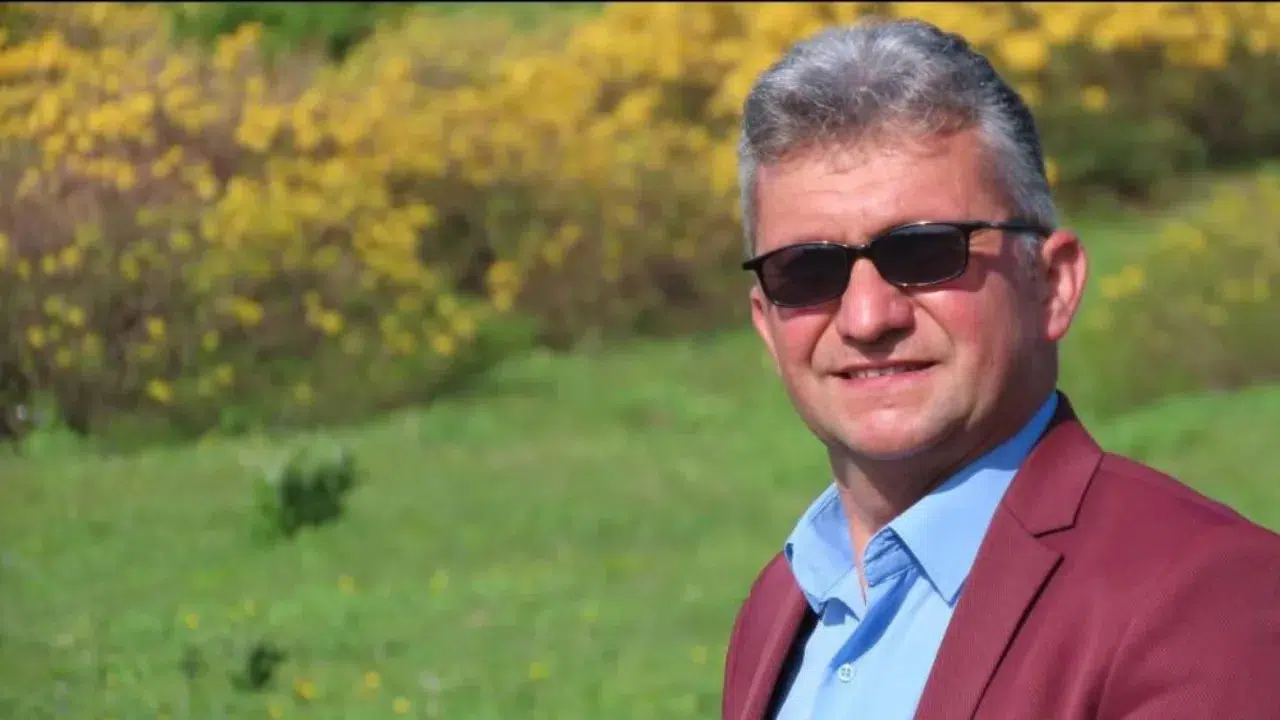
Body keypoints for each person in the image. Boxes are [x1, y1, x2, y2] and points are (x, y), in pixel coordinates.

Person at [721, 17, 1280, 720]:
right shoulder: (781, 605)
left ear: (1053, 285)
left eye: (925, 253)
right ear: (766, 323)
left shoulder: (1209, 601)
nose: (867, 318)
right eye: (807, 270)